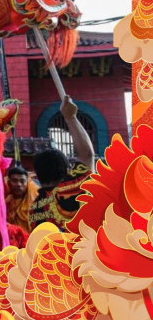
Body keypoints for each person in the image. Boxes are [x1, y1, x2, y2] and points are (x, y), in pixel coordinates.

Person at [28, 95, 95, 231]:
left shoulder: (34, 207)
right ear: (65, 170)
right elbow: (87, 155)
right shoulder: (67, 191)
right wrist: (71, 117)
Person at [5, 163, 39, 233]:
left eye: (22, 181)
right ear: (8, 182)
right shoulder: (4, 199)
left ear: (27, 183)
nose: (18, 184)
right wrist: (4, 204)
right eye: (14, 181)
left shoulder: (35, 200)